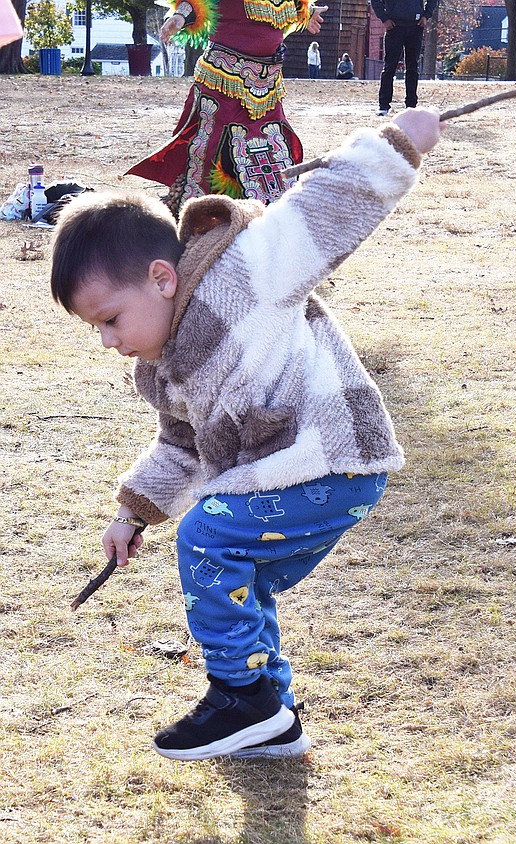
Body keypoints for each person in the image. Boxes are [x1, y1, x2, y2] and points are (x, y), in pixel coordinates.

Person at [51, 107, 444, 762]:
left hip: (332, 457)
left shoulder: (245, 273)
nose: (108, 341)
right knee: (241, 578)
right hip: (284, 478)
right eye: (96, 328)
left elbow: (322, 209)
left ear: (161, 277)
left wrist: (399, 144)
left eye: (112, 319)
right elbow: (181, 449)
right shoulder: (162, 371)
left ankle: (241, 697)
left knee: (209, 539)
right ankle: (274, 717)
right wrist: (133, 512)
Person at [125, 0, 327, 216]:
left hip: (267, 87)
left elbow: (293, 9)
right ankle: (199, 215)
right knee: (212, 150)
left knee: (271, 151)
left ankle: (266, 217)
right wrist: (180, 17)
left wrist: (310, 12)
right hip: (222, 83)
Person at [370, 0, 438, 116]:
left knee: (412, 67)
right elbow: (375, 1)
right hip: (394, 26)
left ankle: (411, 105)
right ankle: (383, 105)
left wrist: (426, 15)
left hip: (415, 27)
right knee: (389, 67)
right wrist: (384, 19)